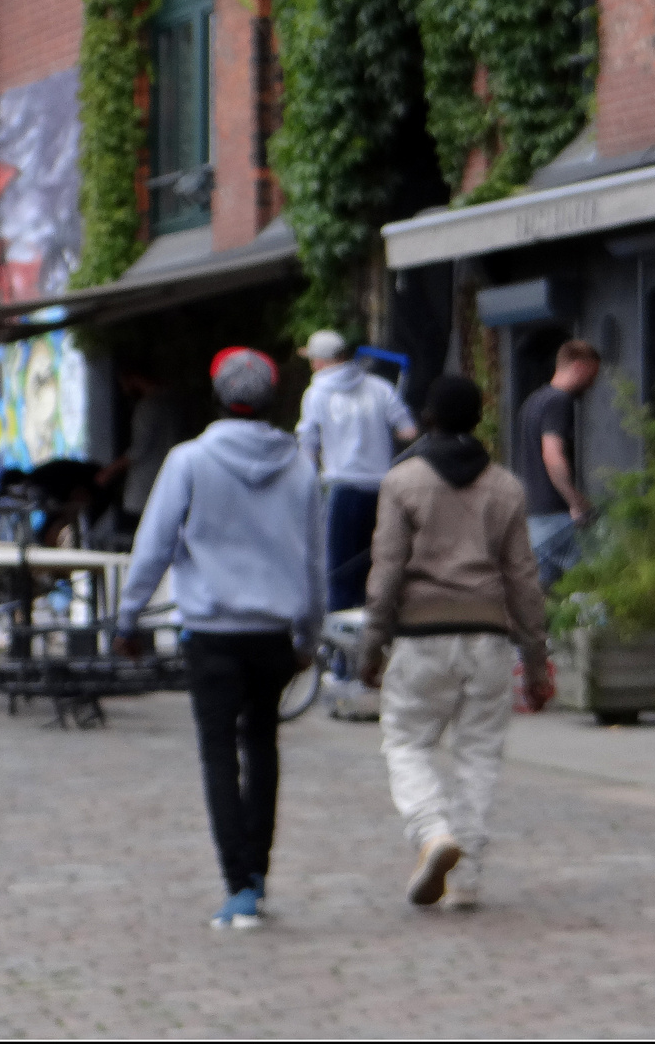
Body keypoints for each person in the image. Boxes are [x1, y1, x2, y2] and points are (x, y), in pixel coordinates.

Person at [116, 348, 325, 930]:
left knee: (217, 752)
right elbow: (314, 560)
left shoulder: (189, 461)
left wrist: (127, 617)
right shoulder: (300, 466)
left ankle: (237, 885)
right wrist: (310, 631)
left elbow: (154, 544)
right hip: (274, 635)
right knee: (263, 746)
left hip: (210, 632)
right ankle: (256, 874)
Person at [361, 376, 550, 911]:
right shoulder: (507, 488)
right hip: (489, 636)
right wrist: (536, 658)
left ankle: (432, 830)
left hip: (421, 637)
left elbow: (387, 571)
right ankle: (466, 876)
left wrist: (372, 645)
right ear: (477, 419)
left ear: (427, 418)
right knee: (480, 754)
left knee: (406, 741)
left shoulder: (402, 483)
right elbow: (523, 579)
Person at [295, 330, 418, 611]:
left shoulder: (315, 394)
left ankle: (340, 645)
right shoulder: (379, 387)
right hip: (382, 490)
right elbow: (408, 431)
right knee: (379, 568)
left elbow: (308, 444)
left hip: (342, 490)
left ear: (319, 362)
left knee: (339, 570)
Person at [514, 339, 601, 587]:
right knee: (591, 585)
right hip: (556, 514)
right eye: (592, 373)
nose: (593, 383)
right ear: (579, 366)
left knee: (542, 591)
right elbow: (553, 454)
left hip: (535, 513)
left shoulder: (534, 401)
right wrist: (575, 502)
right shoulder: (558, 402)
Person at [97, 368, 181, 537]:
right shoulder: (174, 402)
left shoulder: (148, 406)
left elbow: (138, 450)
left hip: (145, 486)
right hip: (169, 479)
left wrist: (109, 472)